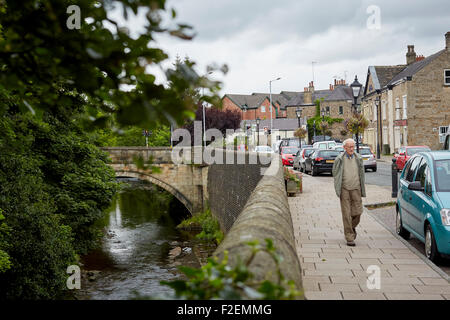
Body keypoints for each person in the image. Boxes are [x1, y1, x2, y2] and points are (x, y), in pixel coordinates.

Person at [332, 138, 366, 246]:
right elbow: (335, 172)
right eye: (349, 147)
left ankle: (351, 227)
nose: (352, 149)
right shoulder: (339, 159)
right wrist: (338, 186)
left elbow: (361, 173)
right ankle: (349, 237)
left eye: (353, 147)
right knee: (346, 214)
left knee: (358, 212)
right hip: (344, 189)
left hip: (356, 188)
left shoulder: (358, 158)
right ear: (344, 148)